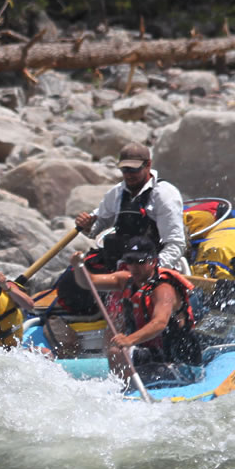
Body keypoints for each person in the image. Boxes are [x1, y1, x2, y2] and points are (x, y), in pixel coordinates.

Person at [72, 236, 202, 379]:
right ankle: (124, 388)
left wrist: (129, 340)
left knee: (120, 349)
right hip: (152, 352)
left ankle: (132, 387)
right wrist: (79, 267)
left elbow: (159, 323)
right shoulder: (125, 280)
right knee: (115, 350)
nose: (134, 267)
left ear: (153, 262)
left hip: (178, 358)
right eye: (130, 261)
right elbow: (88, 282)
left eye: (140, 262)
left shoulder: (163, 289)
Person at [72, 142, 188, 273]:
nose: (128, 175)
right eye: (125, 169)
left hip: (151, 265)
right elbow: (97, 227)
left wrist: (151, 270)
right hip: (119, 263)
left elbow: (175, 244)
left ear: (148, 165)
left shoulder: (165, 195)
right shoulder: (116, 193)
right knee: (70, 281)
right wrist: (87, 226)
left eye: (134, 169)